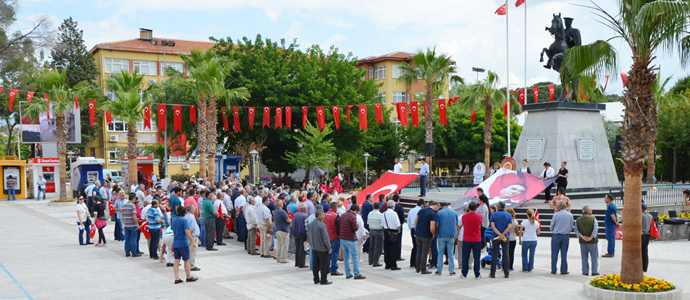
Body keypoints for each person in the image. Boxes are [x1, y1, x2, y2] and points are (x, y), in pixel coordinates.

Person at [171, 206, 198, 284]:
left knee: (176, 260)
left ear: (177, 212)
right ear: (185, 212)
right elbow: (187, 232)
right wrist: (193, 242)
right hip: (183, 243)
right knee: (186, 260)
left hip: (175, 242)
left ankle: (177, 278)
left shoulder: (174, 220)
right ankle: (188, 276)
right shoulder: (184, 221)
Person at [340, 204, 365, 279]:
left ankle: (348, 274)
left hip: (342, 238)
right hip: (350, 238)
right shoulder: (352, 216)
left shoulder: (343, 215)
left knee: (346, 256)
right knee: (354, 256)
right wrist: (357, 224)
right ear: (356, 210)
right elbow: (355, 228)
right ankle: (356, 274)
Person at [308, 209, 332, 285]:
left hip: (314, 247)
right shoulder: (322, 225)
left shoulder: (311, 224)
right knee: (324, 264)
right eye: (323, 215)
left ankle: (316, 279)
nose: (324, 216)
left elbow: (309, 236)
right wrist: (329, 247)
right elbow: (325, 238)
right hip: (322, 248)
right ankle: (323, 280)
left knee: (315, 264)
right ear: (319, 216)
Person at [414, 201, 439, 274]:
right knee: (424, 252)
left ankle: (417, 268)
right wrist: (433, 234)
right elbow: (432, 227)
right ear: (436, 206)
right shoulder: (433, 214)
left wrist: (416, 230)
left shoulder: (421, 210)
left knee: (419, 251)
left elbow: (416, 221)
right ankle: (423, 269)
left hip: (418, 234)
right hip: (426, 235)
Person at [489, 201, 512, 278]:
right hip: (505, 237)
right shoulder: (508, 215)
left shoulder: (493, 215)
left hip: (496, 237)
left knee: (495, 254)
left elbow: (493, 226)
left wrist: (499, 235)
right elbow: (509, 227)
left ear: (498, 207)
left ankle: (492, 273)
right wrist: (503, 235)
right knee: (506, 254)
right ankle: (506, 273)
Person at [550, 200, 574, 275]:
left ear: (560, 207)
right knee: (564, 254)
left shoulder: (556, 215)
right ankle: (564, 270)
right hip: (565, 235)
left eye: (556, 206)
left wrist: (554, 230)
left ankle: (554, 269)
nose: (555, 207)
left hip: (556, 235)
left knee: (554, 253)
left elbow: (551, 226)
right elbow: (571, 226)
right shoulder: (570, 215)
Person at [575, 205, 599, 276]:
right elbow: (595, 229)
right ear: (588, 211)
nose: (592, 211)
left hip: (583, 242)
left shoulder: (578, 219)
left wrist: (582, 237)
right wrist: (591, 237)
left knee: (584, 256)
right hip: (593, 242)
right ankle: (594, 271)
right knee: (594, 256)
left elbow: (576, 230)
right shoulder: (593, 218)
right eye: (591, 210)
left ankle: (585, 271)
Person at [461, 202, 483, 278]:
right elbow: (479, 226)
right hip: (476, 239)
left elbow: (464, 226)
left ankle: (464, 273)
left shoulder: (464, 216)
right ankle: (477, 273)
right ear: (476, 208)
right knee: (477, 257)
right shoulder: (480, 217)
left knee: (465, 256)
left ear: (468, 208)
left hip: (467, 238)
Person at [436, 202, 458, 276]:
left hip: (442, 235)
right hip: (451, 236)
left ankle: (439, 270)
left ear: (441, 206)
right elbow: (456, 224)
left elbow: (437, 224)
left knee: (440, 253)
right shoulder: (454, 213)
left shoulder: (439, 213)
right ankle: (451, 271)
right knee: (451, 253)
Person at [382, 200, 401, 270]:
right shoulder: (394, 214)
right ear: (393, 206)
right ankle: (393, 265)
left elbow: (382, 225)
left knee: (386, 248)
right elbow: (398, 225)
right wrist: (398, 231)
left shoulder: (383, 214)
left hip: (386, 231)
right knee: (393, 248)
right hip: (393, 231)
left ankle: (387, 264)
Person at [323, 202, 341, 276]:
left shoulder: (324, 215)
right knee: (335, 253)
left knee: (327, 254)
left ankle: (327, 268)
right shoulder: (336, 216)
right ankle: (334, 269)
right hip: (334, 237)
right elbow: (339, 228)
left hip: (326, 237)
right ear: (336, 208)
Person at [182, 204, 201, 271]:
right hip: (193, 236)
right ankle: (191, 265)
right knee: (193, 251)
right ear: (191, 210)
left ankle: (189, 264)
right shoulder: (192, 218)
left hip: (189, 236)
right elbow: (192, 229)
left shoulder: (186, 216)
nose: (195, 209)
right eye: (194, 208)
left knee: (190, 251)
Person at [407, 199, 424, 269]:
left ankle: (412, 262)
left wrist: (411, 228)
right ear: (422, 204)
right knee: (419, 247)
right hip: (419, 229)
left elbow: (408, 221)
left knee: (415, 246)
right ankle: (417, 263)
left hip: (412, 229)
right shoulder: (421, 211)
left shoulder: (411, 210)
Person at [367, 201, 384, 267]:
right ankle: (375, 262)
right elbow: (383, 224)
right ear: (379, 207)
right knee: (377, 247)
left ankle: (370, 261)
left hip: (371, 230)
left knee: (371, 246)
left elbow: (368, 222)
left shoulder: (370, 213)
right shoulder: (380, 215)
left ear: (373, 207)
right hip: (378, 231)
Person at [292, 203, 309, 267]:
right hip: (302, 234)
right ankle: (301, 263)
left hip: (296, 233)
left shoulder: (295, 215)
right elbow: (306, 227)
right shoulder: (305, 216)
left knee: (297, 248)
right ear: (304, 209)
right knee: (302, 249)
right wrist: (308, 236)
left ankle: (297, 262)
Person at [641, 203, 652, 272]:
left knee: (639, 251)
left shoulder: (640, 216)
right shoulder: (650, 216)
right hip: (647, 234)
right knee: (645, 251)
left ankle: (640, 266)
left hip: (641, 235)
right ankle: (645, 267)